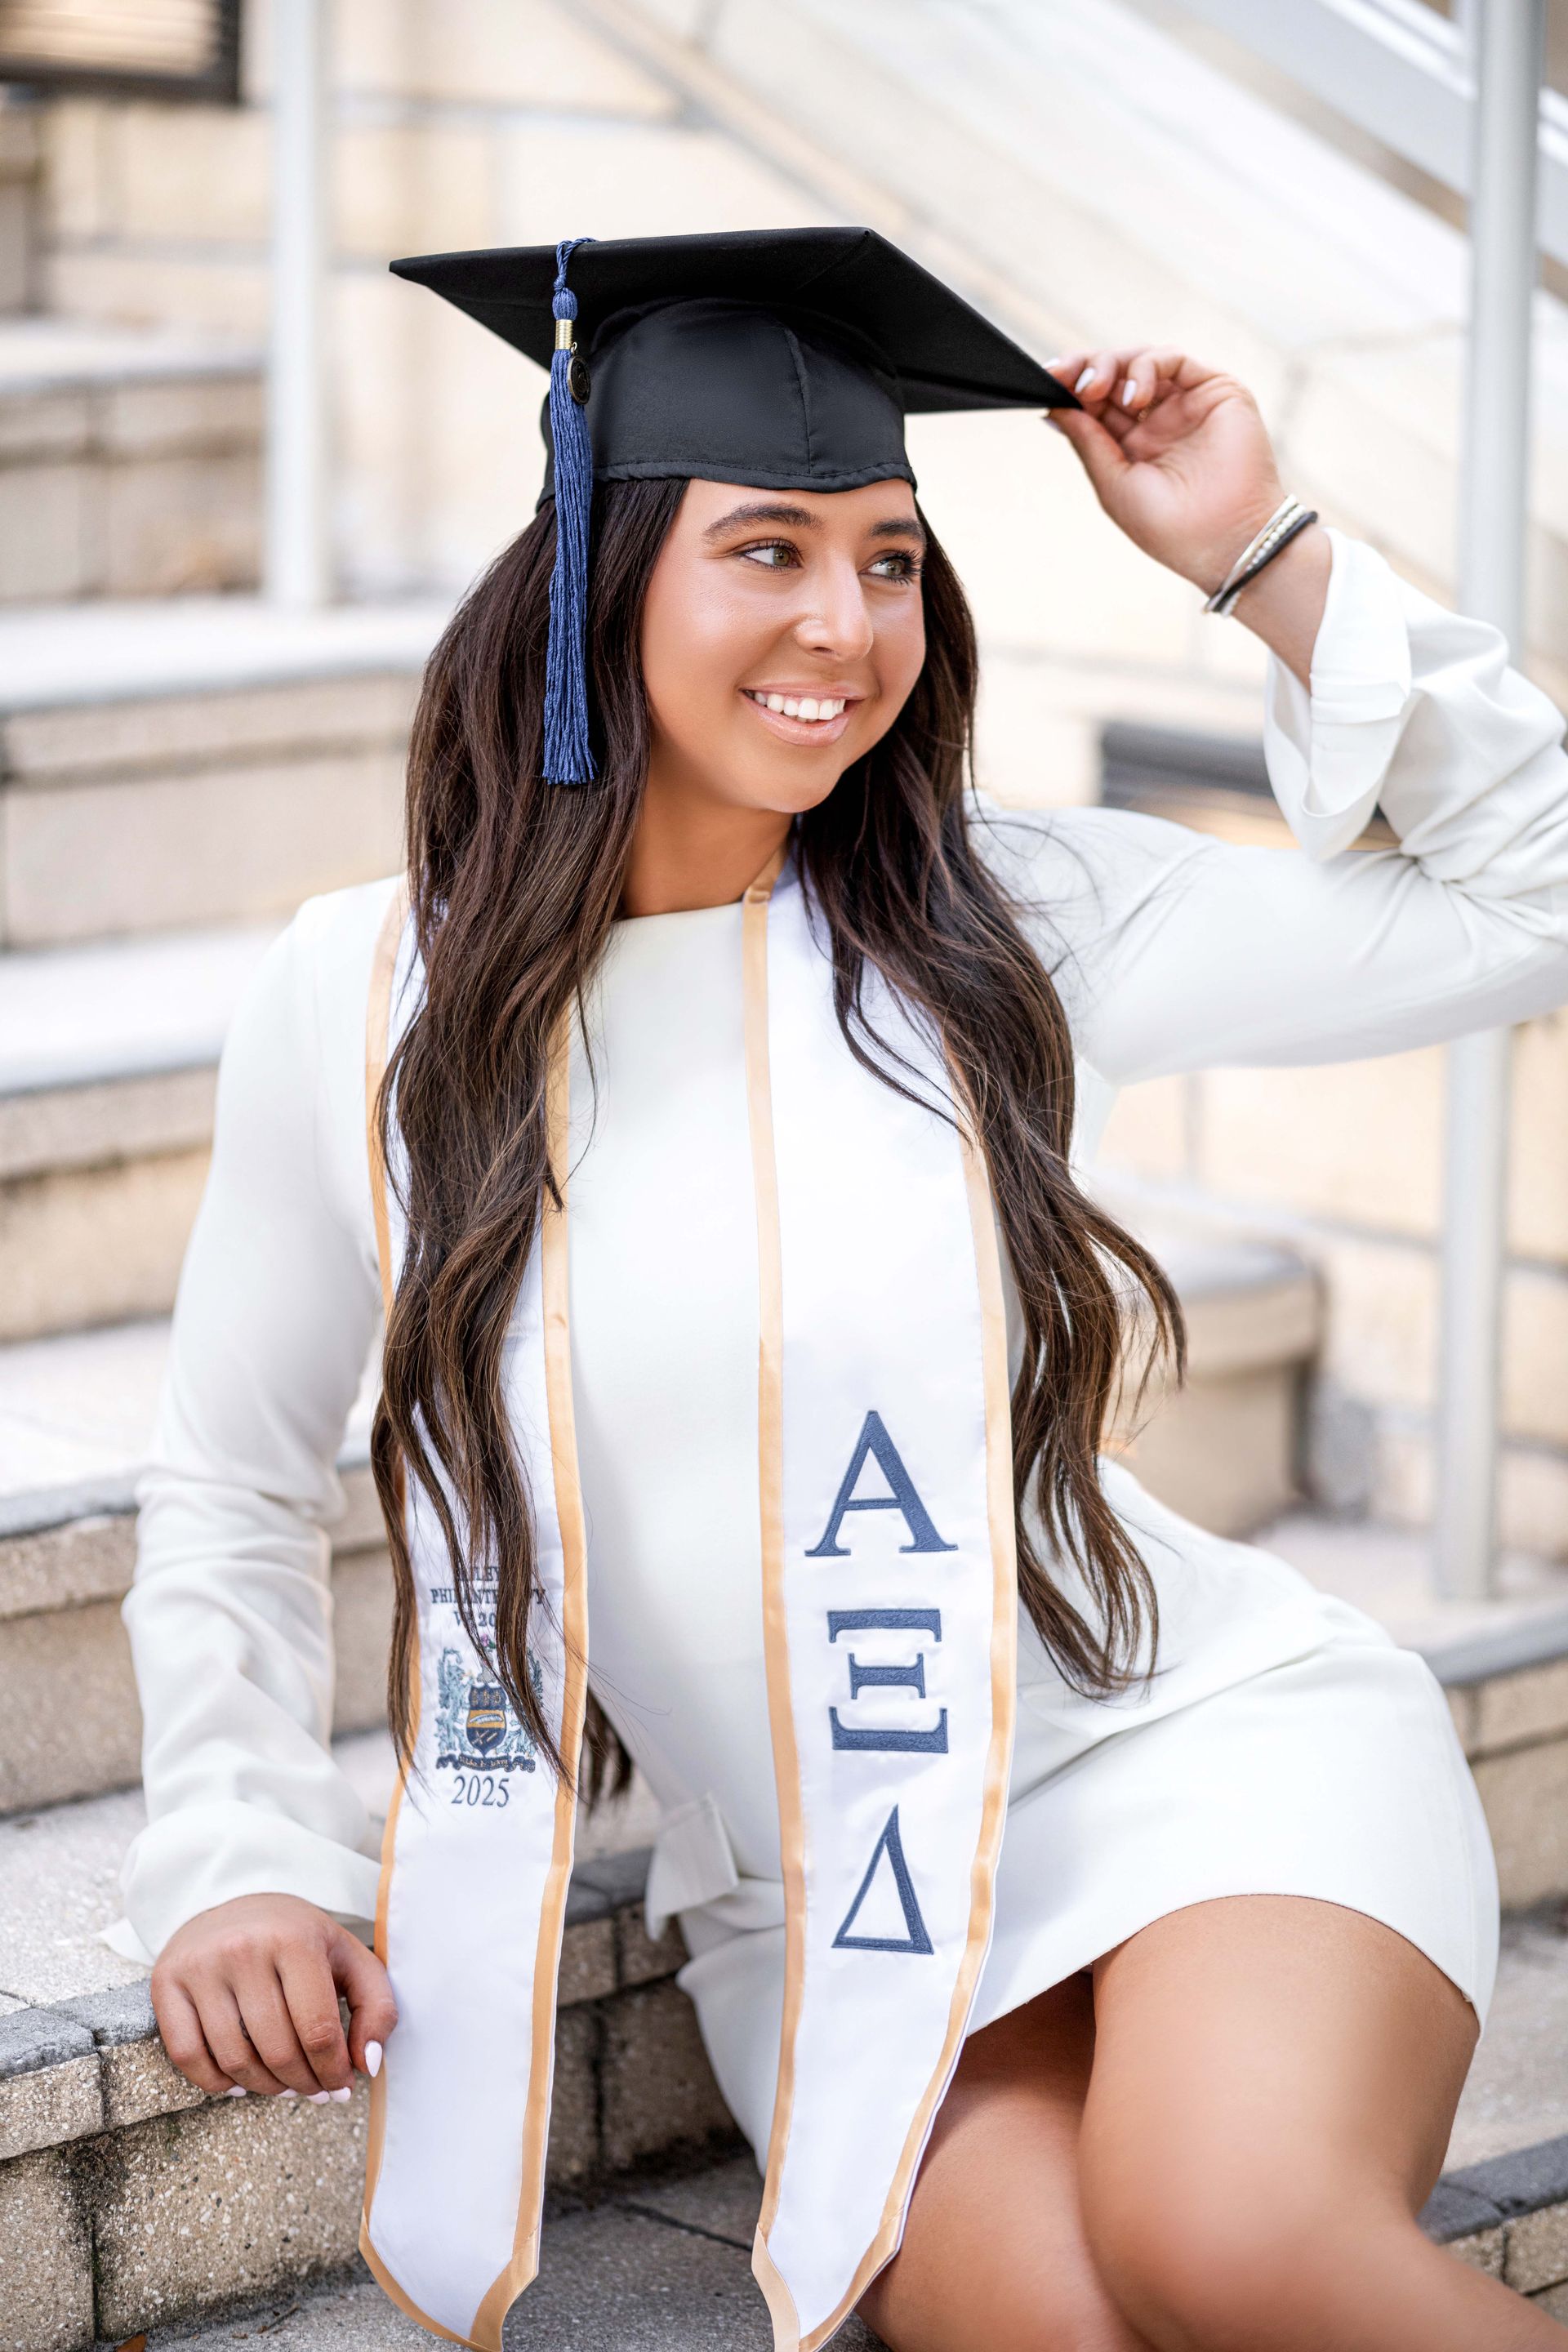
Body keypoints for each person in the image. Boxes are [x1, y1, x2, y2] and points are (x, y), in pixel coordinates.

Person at [116, 229, 1568, 2352]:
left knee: (1228, 2236)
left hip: (1196, 1755)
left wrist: (1258, 546)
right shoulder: (362, 1000)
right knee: (1055, 2321)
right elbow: (234, 1479)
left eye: (890, 561)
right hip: (838, 1898)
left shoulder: (993, 924)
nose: (844, 626)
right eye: (770, 551)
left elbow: (1531, 898)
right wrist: (239, 1844)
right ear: (603, 582)